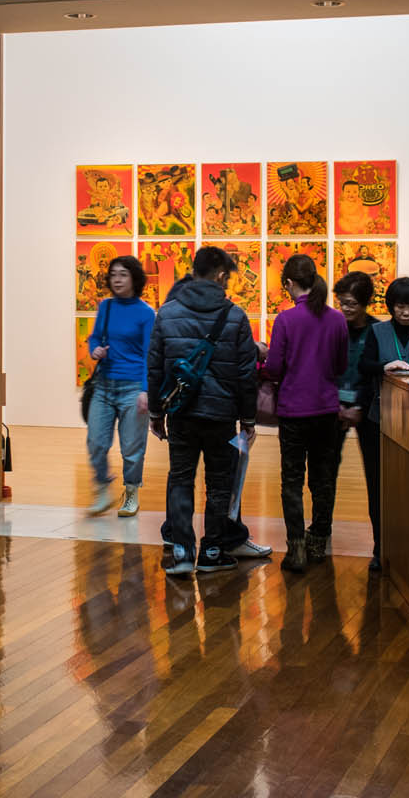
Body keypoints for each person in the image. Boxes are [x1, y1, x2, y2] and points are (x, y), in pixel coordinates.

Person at [147, 246, 271, 576]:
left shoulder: (168, 312)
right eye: (227, 276)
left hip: (182, 414)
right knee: (219, 483)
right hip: (221, 416)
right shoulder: (235, 316)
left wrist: (157, 414)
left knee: (181, 480)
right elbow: (245, 375)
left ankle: (183, 552)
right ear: (218, 275)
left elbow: (156, 367)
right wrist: (248, 420)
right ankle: (212, 552)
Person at [262, 254, 349, 573]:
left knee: (292, 480)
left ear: (288, 283)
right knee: (323, 479)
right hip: (327, 410)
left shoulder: (285, 320)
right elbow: (341, 366)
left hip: (293, 412)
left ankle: (296, 547)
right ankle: (318, 542)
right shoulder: (337, 319)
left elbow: (273, 369)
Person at [85, 255, 156, 517]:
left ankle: (131, 492)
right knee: (96, 442)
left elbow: (151, 354)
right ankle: (102, 488)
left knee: (132, 448)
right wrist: (95, 351)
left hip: (133, 387)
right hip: (104, 385)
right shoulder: (106, 307)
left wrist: (146, 391)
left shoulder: (147, 313)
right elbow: (93, 338)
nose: (117, 279)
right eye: (113, 274)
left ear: (134, 279)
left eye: (123, 274)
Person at [332, 271, 384, 572]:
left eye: (351, 303)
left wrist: (360, 407)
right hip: (333, 409)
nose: (346, 309)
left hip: (369, 411)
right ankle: (320, 538)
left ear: (365, 303)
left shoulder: (378, 332)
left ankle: (381, 547)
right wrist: (335, 405)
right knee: (325, 476)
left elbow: (376, 375)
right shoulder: (333, 327)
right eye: (342, 303)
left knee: (376, 480)